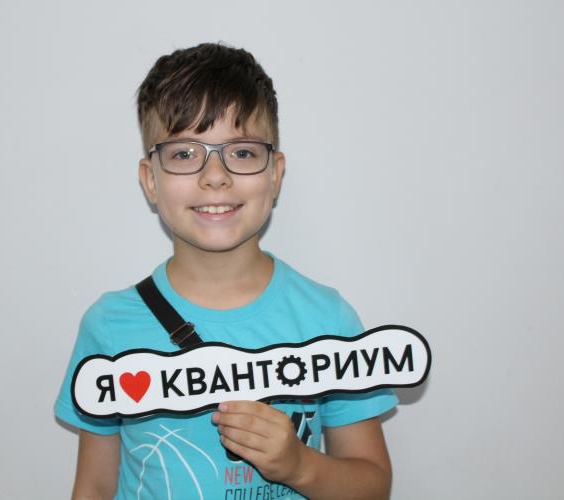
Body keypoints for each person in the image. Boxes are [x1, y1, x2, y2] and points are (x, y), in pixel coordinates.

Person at [55, 42, 398, 500]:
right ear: (150, 180)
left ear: (275, 174)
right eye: (183, 153)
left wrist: (300, 466)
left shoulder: (327, 320)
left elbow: (372, 486)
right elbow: (94, 487)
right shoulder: (109, 327)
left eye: (241, 152)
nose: (215, 176)